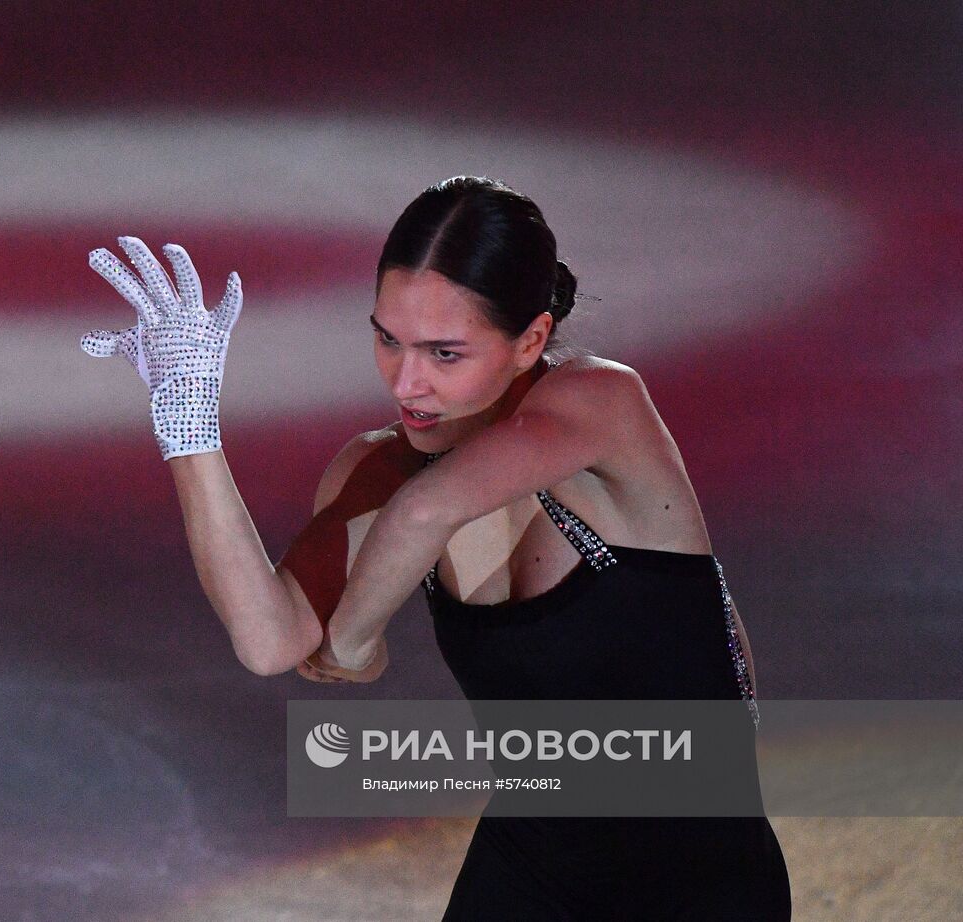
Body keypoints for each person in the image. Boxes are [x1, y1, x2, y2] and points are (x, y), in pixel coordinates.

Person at [80, 175, 791, 919]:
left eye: (444, 353)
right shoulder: (376, 468)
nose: (406, 380)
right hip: (531, 865)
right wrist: (189, 427)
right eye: (388, 339)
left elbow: (426, 513)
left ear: (532, 341)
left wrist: (353, 640)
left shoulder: (600, 404)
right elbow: (268, 640)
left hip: (698, 880)